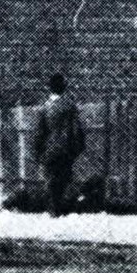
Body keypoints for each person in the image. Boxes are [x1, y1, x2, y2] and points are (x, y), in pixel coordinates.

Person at [37, 73, 86, 218]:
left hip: (49, 149)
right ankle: (60, 206)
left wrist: (38, 150)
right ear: (63, 87)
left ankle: (53, 208)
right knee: (64, 177)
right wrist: (78, 147)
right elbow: (76, 129)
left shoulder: (45, 108)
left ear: (49, 88)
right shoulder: (70, 106)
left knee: (51, 178)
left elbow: (40, 132)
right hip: (66, 148)